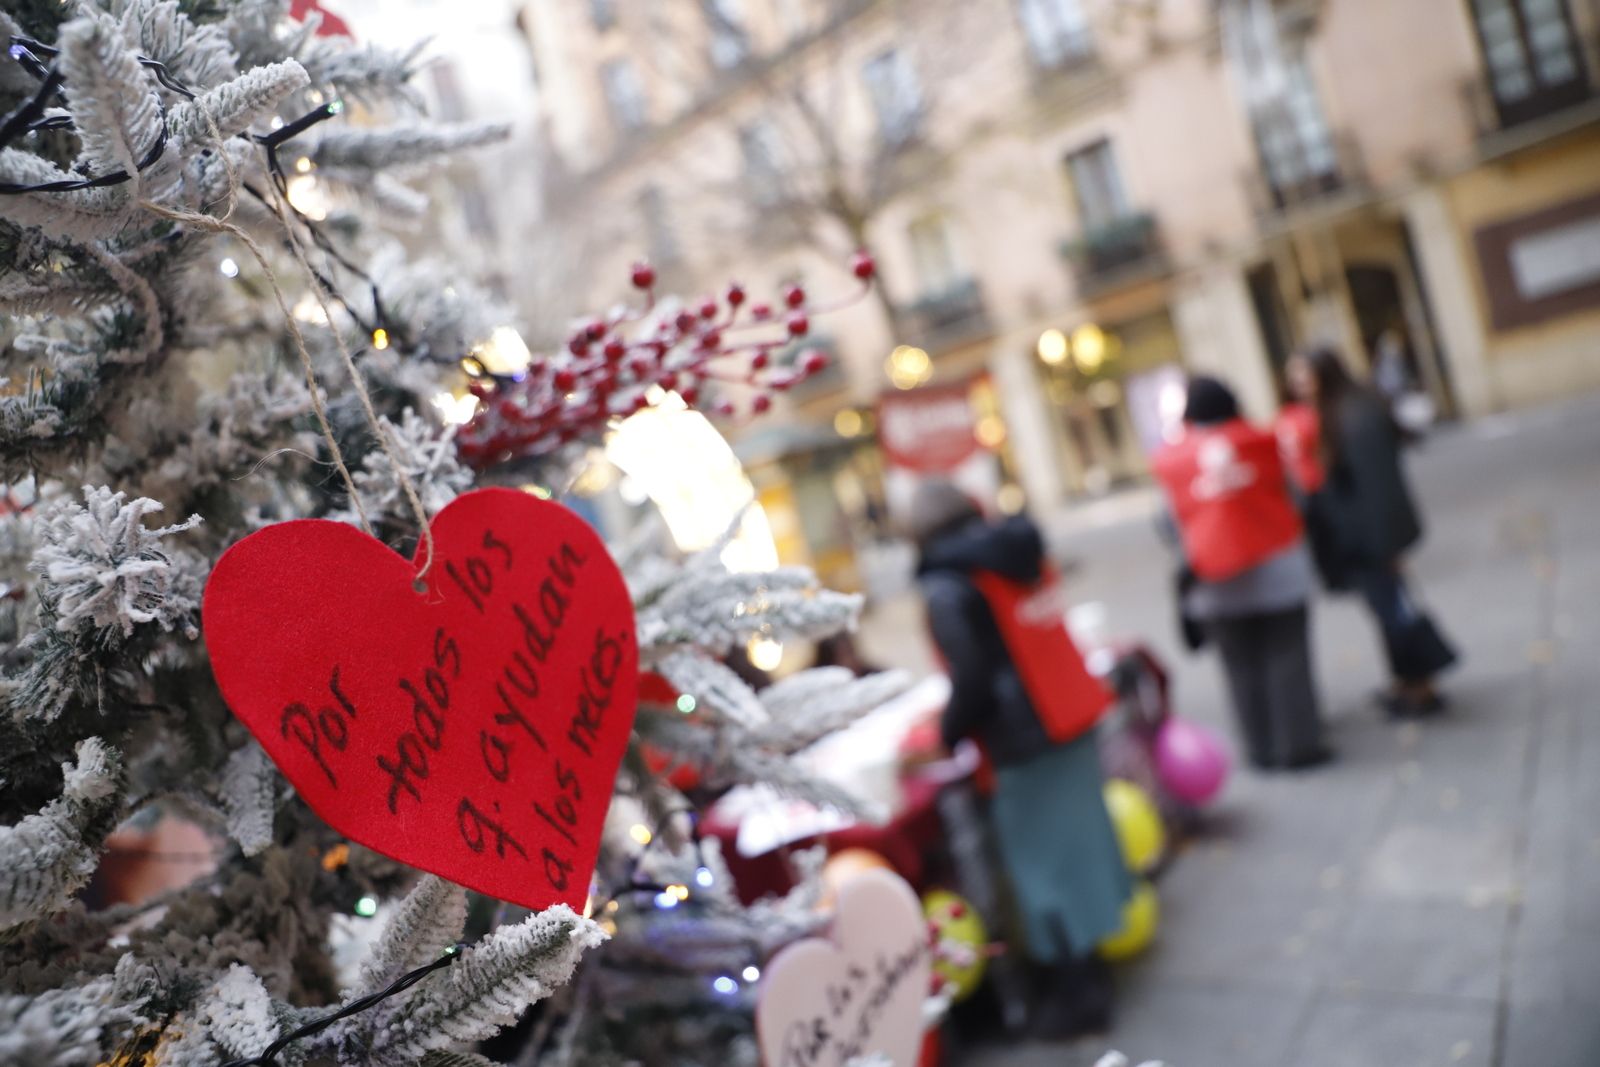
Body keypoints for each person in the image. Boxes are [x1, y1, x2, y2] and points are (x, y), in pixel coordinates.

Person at [909, 480, 1129, 1040]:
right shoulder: (1016, 550)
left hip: (1021, 741)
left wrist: (948, 732)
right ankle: (1093, 968)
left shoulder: (948, 585)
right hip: (1069, 713)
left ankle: (1078, 994)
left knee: (1042, 871)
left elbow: (974, 679)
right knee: (1080, 852)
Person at [1152, 377, 1328, 770]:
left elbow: (1167, 522)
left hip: (1217, 582)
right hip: (1280, 571)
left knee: (1240, 670)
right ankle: (1299, 746)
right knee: (1289, 660)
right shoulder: (1264, 442)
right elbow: (1299, 496)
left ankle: (1259, 749)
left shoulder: (1173, 462)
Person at [1293, 347, 1457, 717]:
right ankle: (1408, 681)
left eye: (1304, 375)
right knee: (1391, 610)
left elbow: (1376, 488)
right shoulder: (1344, 411)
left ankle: (1420, 686)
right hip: (1366, 539)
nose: (1299, 385)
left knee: (1395, 611)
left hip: (1371, 542)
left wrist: (1384, 547)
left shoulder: (1354, 416)